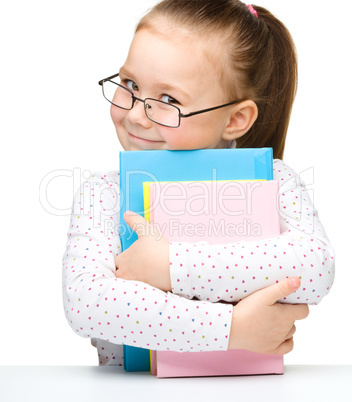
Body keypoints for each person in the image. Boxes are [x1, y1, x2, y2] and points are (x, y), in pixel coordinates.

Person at [63, 0, 334, 366]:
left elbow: (316, 267)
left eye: (168, 99)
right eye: (130, 84)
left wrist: (172, 266)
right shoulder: (103, 194)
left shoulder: (274, 181)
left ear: (236, 119)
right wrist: (232, 329)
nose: (135, 115)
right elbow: (87, 303)